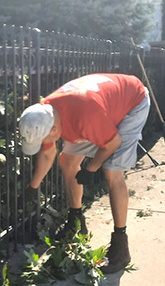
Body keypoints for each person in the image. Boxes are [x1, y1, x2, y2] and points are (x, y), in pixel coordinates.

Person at [19, 73, 150, 273]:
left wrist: (91, 168)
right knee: (67, 160)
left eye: (41, 140)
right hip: (98, 108)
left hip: (133, 102)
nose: (42, 144)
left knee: (112, 171)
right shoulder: (46, 112)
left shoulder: (86, 116)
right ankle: (76, 221)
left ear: (54, 130)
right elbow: (48, 155)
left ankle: (121, 246)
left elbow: (113, 143)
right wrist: (32, 187)